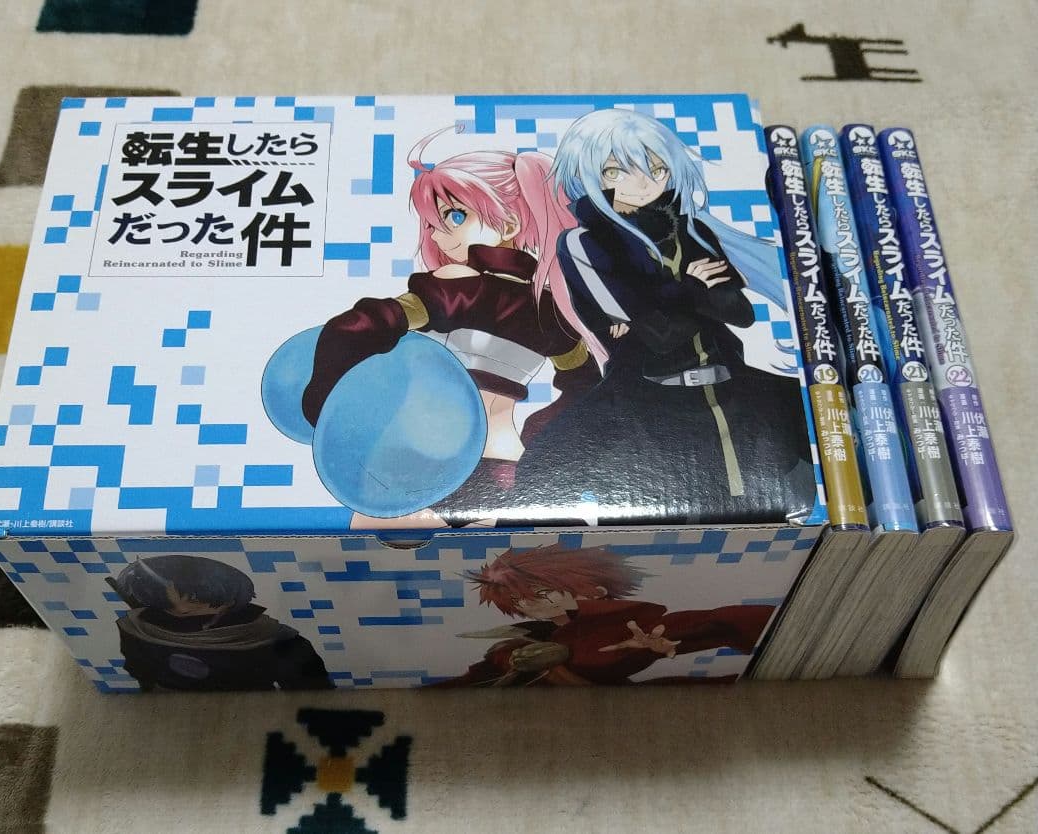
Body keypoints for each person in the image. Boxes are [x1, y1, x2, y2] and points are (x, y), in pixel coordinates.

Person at [509, 109, 816, 526]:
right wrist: (691, 289)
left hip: (733, 388)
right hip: (646, 402)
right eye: (618, 170)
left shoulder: (694, 231)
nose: (643, 182)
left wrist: (658, 300)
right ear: (590, 175)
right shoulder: (584, 243)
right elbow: (659, 334)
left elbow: (740, 313)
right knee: (547, 469)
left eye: (656, 169)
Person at [301, 129, 599, 528]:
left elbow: (357, 328)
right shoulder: (552, 307)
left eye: (455, 216)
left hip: (426, 461)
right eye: (431, 223)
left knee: (371, 553)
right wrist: (538, 434)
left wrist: (324, 401)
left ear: (510, 221)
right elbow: (586, 389)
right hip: (506, 463)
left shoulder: (456, 285)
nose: (439, 234)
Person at [433, 544, 774, 686]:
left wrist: (645, 647)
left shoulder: (624, 621)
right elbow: (481, 674)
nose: (527, 604)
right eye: (516, 600)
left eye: (539, 594)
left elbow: (714, 623)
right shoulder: (532, 632)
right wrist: (511, 657)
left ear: (592, 592)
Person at [108, 554, 333, 691]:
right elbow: (141, 675)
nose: (182, 609)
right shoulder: (137, 628)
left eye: (195, 599)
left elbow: (313, 688)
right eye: (166, 602)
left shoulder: (275, 639)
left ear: (229, 598)